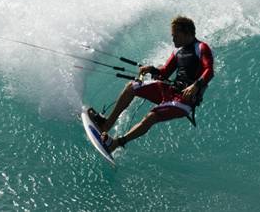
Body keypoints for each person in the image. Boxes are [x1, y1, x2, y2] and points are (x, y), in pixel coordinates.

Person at [88, 16, 214, 153]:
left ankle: (116, 143)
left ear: (186, 33)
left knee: (151, 117)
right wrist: (152, 69)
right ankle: (106, 125)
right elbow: (164, 73)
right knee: (132, 86)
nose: (173, 39)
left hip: (184, 100)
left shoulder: (201, 47)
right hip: (170, 91)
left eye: (175, 36)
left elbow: (209, 70)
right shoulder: (178, 51)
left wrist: (196, 85)